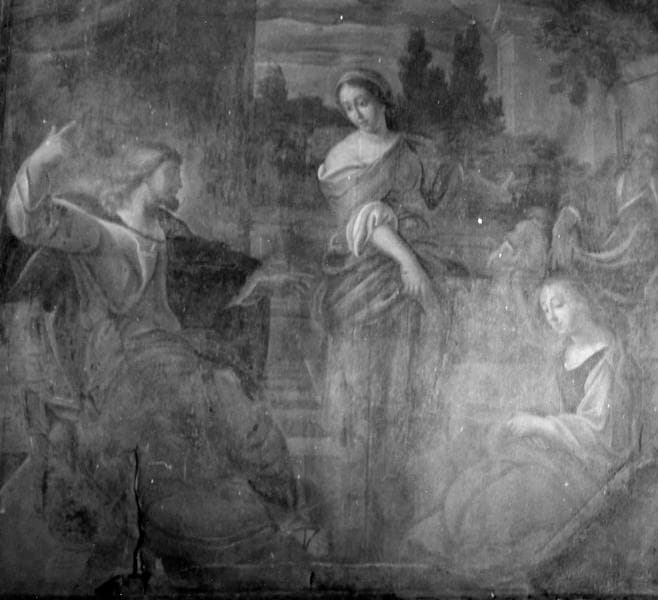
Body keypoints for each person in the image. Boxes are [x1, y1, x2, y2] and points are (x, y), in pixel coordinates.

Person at [5, 123, 320, 590]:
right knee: (199, 414)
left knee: (239, 406)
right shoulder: (100, 234)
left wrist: (256, 284)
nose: (180, 183)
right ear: (145, 173)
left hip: (172, 357)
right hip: (124, 365)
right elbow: (28, 221)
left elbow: (208, 279)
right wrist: (44, 159)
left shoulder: (166, 234)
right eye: (173, 172)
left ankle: (284, 517)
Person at [313, 68, 464, 560]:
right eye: (348, 108)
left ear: (382, 99)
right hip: (369, 282)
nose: (357, 114)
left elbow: (438, 196)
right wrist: (408, 263)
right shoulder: (341, 159)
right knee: (365, 403)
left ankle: (403, 521)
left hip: (415, 278)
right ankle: (357, 524)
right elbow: (362, 221)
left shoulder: (413, 150)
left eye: (363, 102)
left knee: (406, 394)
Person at [402, 274, 639, 575]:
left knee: (493, 505)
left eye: (558, 305)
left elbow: (599, 436)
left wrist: (538, 426)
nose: (551, 316)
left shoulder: (609, 359)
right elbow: (546, 407)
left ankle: (472, 571)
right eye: (546, 309)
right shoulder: (563, 353)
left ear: (583, 301)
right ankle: (435, 556)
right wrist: (518, 423)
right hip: (551, 459)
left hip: (584, 475)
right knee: (467, 489)